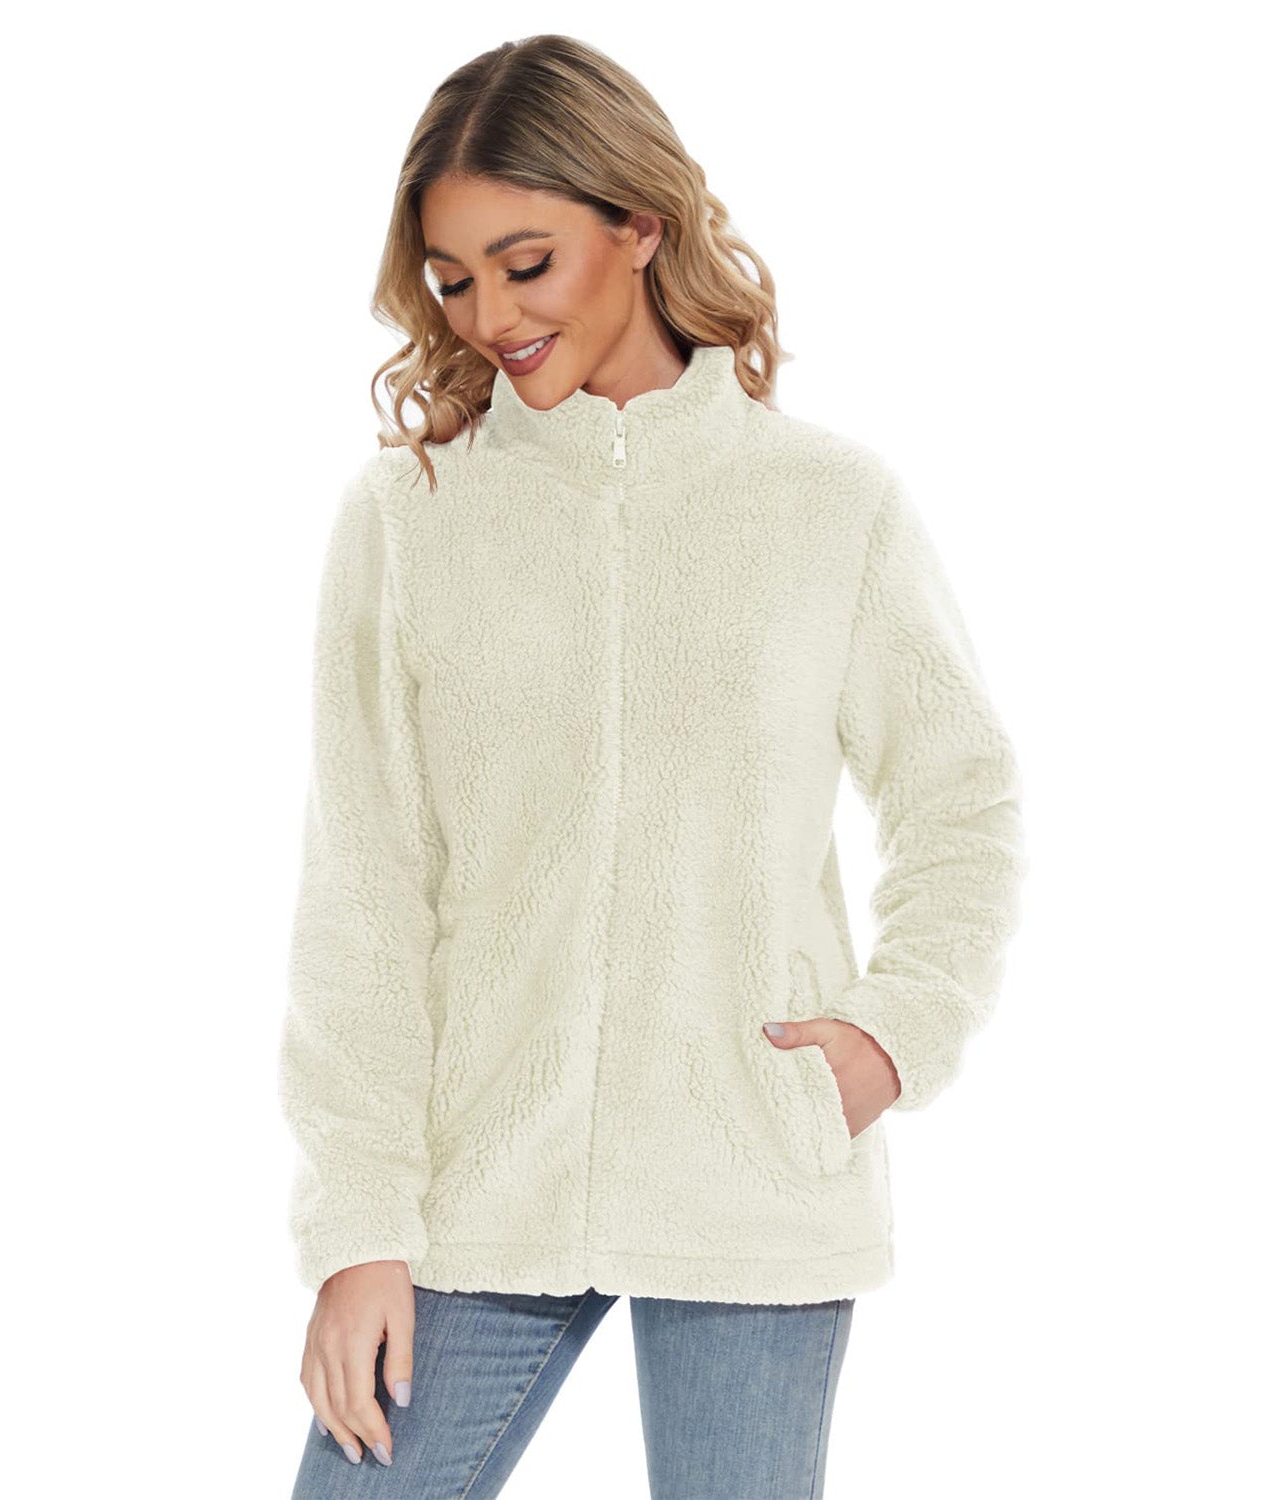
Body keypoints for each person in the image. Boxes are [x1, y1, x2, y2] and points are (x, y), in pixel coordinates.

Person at [279, 34, 1027, 1499]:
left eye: (527, 264)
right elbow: (362, 894)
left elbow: (965, 801)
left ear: (640, 226)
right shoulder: (410, 519)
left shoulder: (828, 506)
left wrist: (893, 1037)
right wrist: (356, 1225)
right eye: (452, 279)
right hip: (474, 1188)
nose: (490, 316)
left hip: (753, 1174)